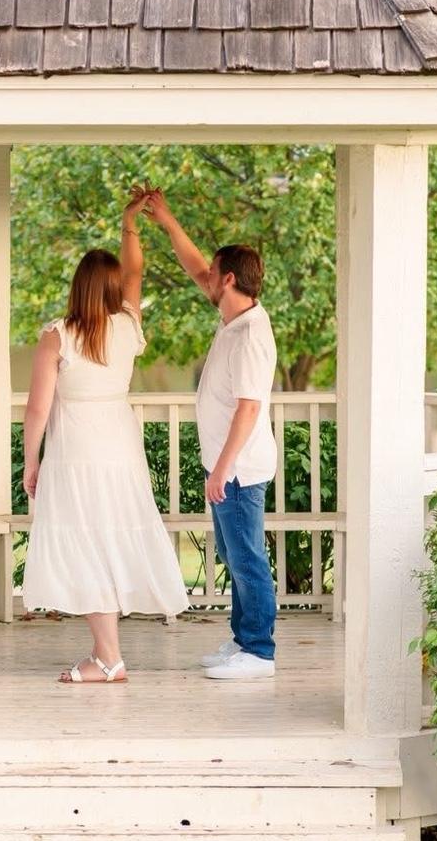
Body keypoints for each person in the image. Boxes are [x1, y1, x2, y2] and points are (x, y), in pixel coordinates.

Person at [21, 188, 189, 684]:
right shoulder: (127, 326)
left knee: (86, 545)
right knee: (106, 540)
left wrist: (31, 461)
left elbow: (37, 408)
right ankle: (104, 654)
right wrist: (130, 223)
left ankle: (110, 659)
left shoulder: (58, 335)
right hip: (120, 448)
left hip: (75, 451)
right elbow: (134, 273)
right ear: (113, 289)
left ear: (77, 288)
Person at [144, 191, 279, 681]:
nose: (206, 278)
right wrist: (166, 219)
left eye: (213, 274)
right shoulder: (234, 320)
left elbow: (249, 408)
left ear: (229, 280)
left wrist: (221, 469)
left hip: (239, 468)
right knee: (233, 554)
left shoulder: (250, 335)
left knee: (247, 559)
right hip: (228, 465)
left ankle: (259, 652)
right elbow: (196, 265)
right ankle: (243, 641)